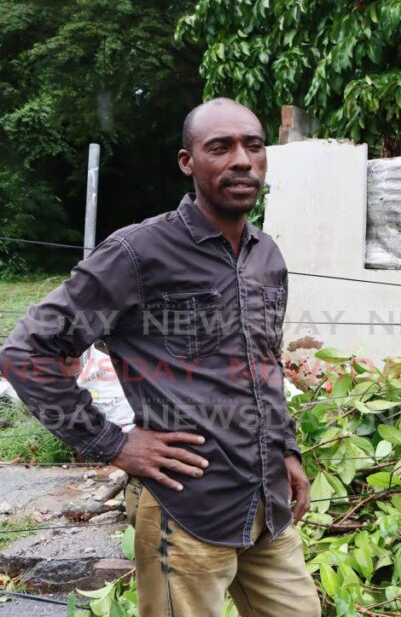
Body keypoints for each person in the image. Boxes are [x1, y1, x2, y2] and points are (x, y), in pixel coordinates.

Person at [0, 98, 321, 616]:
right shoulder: (137, 254)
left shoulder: (267, 256)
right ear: (187, 161)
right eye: (221, 147)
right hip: (188, 508)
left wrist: (286, 449)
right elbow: (26, 353)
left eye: (254, 146)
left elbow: (265, 363)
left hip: (267, 502)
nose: (242, 160)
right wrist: (113, 444)